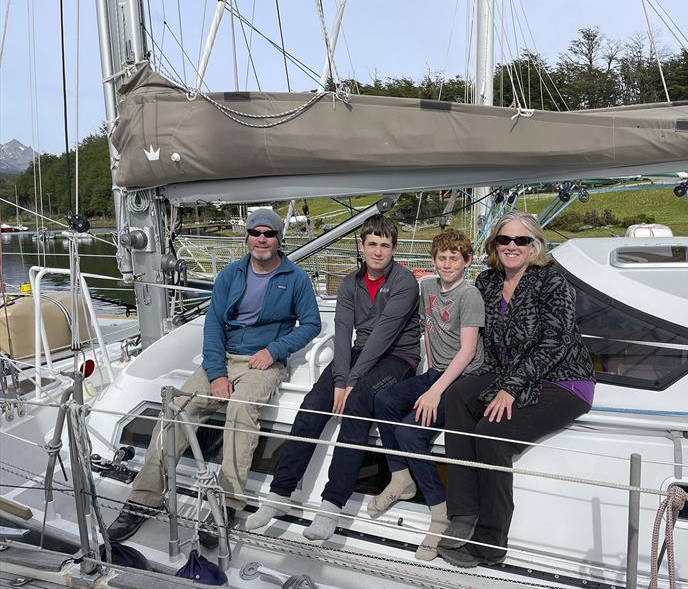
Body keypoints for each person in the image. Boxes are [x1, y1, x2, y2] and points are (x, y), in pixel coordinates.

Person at [107, 208, 321, 547]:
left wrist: (275, 350)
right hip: (223, 356)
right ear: (248, 237)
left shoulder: (295, 278)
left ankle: (227, 501)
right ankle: (144, 498)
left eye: (269, 234)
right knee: (176, 408)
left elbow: (311, 323)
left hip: (262, 361)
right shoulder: (230, 274)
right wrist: (217, 373)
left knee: (241, 409)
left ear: (279, 239)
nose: (261, 239)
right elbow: (213, 325)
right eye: (255, 233)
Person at [245, 214, 420, 541]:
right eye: (372, 244)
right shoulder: (351, 283)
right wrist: (340, 379)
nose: (378, 252)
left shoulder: (405, 282)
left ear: (394, 249)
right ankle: (279, 494)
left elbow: (383, 336)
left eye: (385, 245)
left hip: (398, 358)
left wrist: (350, 383)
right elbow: (343, 334)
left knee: (357, 402)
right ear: (362, 245)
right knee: (313, 403)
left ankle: (331, 506)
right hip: (359, 353)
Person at [436, 211, 595, 568]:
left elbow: (555, 343)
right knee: (458, 396)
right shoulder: (487, 282)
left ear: (534, 245)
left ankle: (490, 544)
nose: (512, 246)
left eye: (520, 240)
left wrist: (509, 388)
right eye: (504, 239)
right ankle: (463, 513)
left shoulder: (552, 282)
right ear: (494, 244)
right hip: (508, 372)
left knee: (492, 434)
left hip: (564, 379)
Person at [369, 229, 485, 560]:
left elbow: (466, 352)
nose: (447, 263)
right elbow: (427, 330)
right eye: (442, 257)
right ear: (433, 260)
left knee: (409, 432)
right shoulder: (428, 287)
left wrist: (434, 391)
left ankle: (439, 512)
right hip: (435, 372)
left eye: (455, 258)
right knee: (384, 400)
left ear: (467, 261)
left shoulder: (469, 295)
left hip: (463, 379)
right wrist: (429, 376)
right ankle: (400, 477)